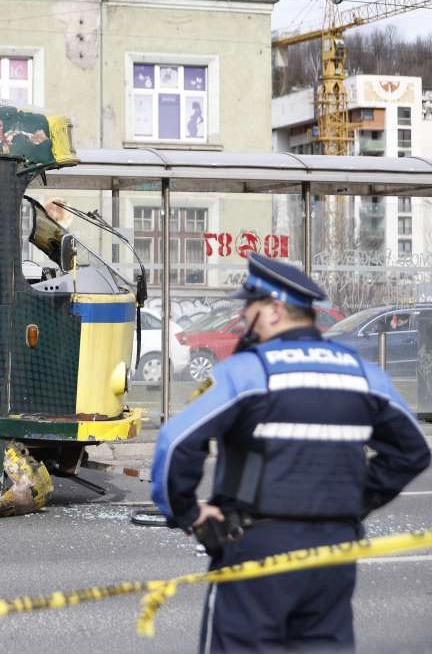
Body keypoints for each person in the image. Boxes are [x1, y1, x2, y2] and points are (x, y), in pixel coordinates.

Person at [150, 253, 430, 653]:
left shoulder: (249, 371)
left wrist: (187, 513)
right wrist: (356, 499)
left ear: (274, 310)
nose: (244, 317)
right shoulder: (362, 374)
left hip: (256, 550)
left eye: (250, 307)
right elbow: (412, 450)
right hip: (333, 552)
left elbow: (176, 442)